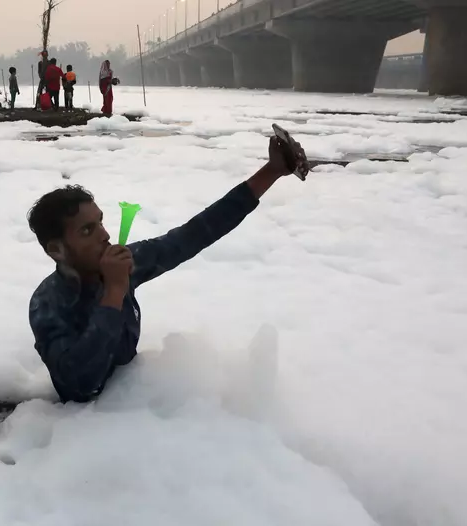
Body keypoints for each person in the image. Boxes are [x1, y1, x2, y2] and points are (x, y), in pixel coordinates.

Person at [27, 136, 305, 403]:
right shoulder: (48, 303)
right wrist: (113, 294)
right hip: (81, 433)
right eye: (88, 230)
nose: (105, 235)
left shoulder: (121, 264)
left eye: (101, 222)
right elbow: (80, 386)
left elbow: (192, 235)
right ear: (57, 250)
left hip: (135, 404)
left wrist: (271, 171)